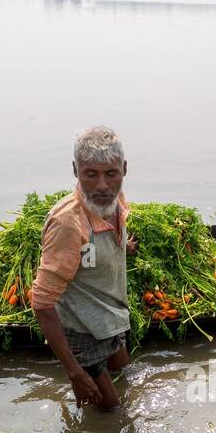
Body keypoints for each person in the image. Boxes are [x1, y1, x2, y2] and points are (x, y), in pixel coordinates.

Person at [30, 126, 137, 411]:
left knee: (127, 378)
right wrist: (74, 372)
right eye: (91, 174)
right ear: (76, 170)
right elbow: (41, 303)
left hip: (112, 318)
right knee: (113, 414)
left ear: (124, 170)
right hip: (81, 330)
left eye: (111, 174)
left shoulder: (115, 201)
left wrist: (122, 245)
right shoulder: (68, 222)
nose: (102, 185)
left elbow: (101, 241)